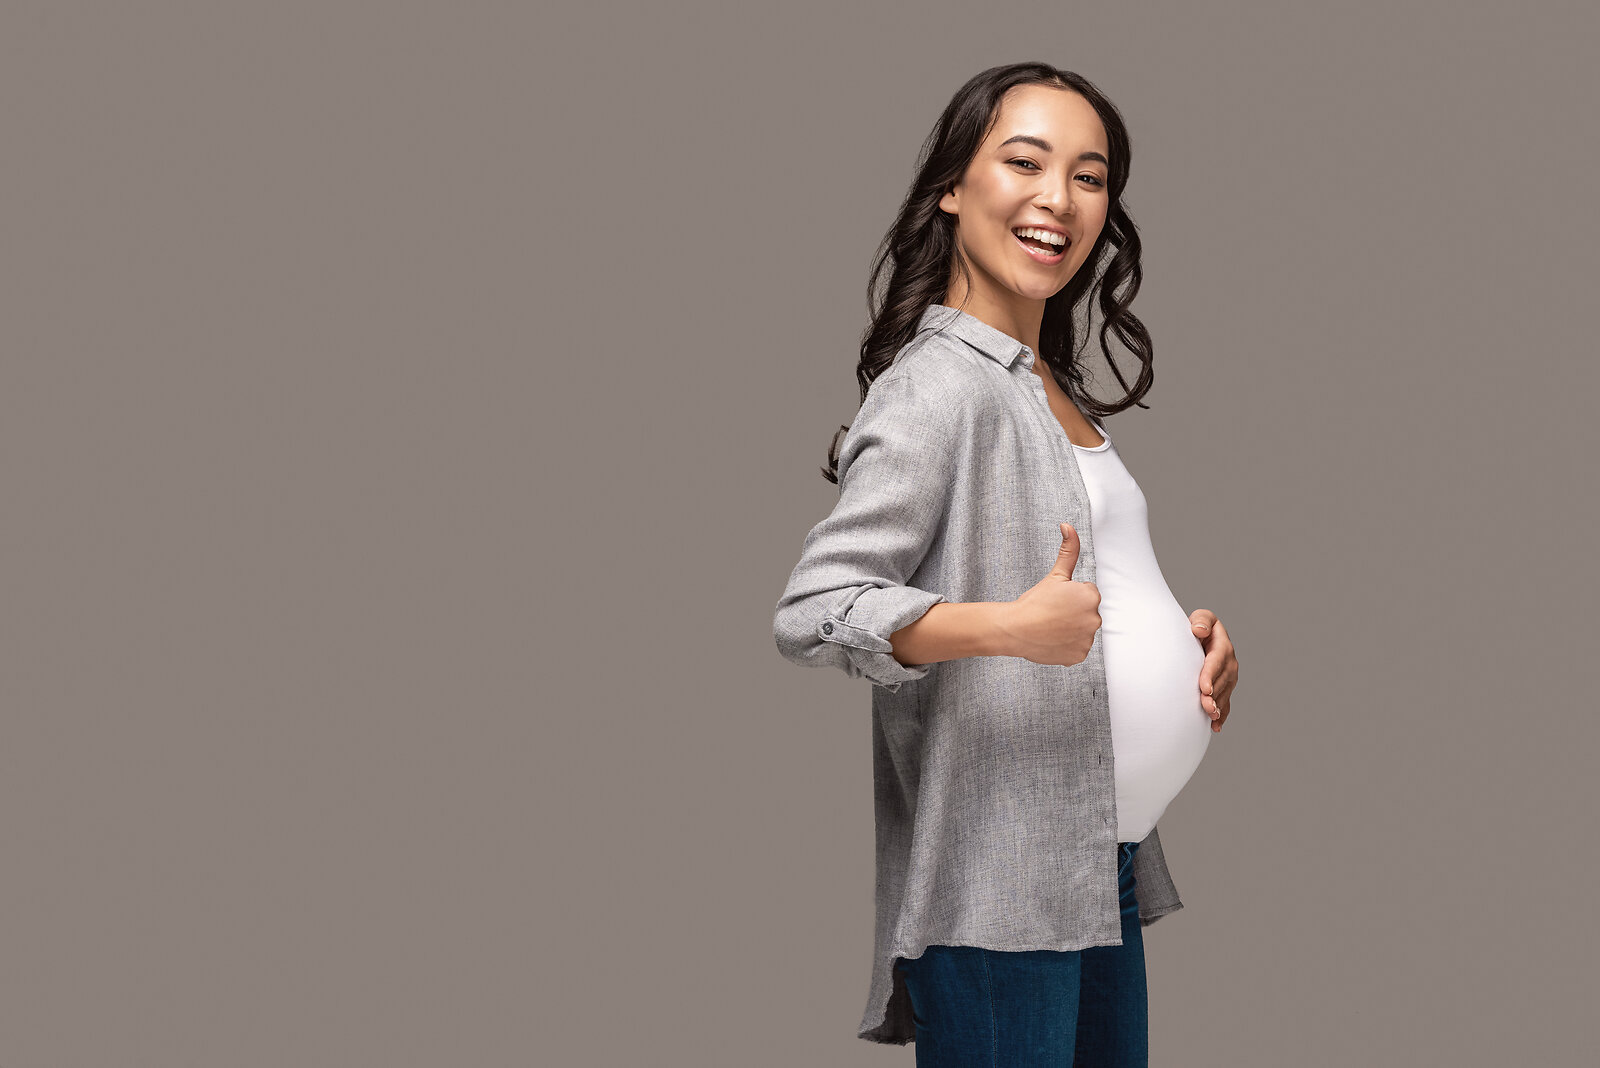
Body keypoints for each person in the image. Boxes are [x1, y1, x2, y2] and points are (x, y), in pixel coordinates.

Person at [772, 62, 1241, 1064]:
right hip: (1002, 887)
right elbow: (813, 608)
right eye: (1025, 162)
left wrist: (1180, 642)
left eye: (1088, 175)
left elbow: (1091, 585)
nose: (1057, 198)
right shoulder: (939, 385)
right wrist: (1009, 629)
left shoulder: (1042, 383)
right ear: (952, 185)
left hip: (1096, 866)